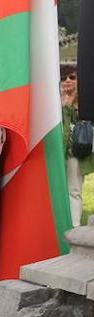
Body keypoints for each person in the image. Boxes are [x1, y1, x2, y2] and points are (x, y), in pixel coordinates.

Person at [62, 64, 90, 226]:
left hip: (74, 153)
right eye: (64, 78)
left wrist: (71, 103)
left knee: (74, 190)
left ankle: (74, 228)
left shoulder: (85, 102)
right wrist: (65, 104)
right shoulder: (55, 102)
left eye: (72, 77)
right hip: (57, 151)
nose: (68, 81)